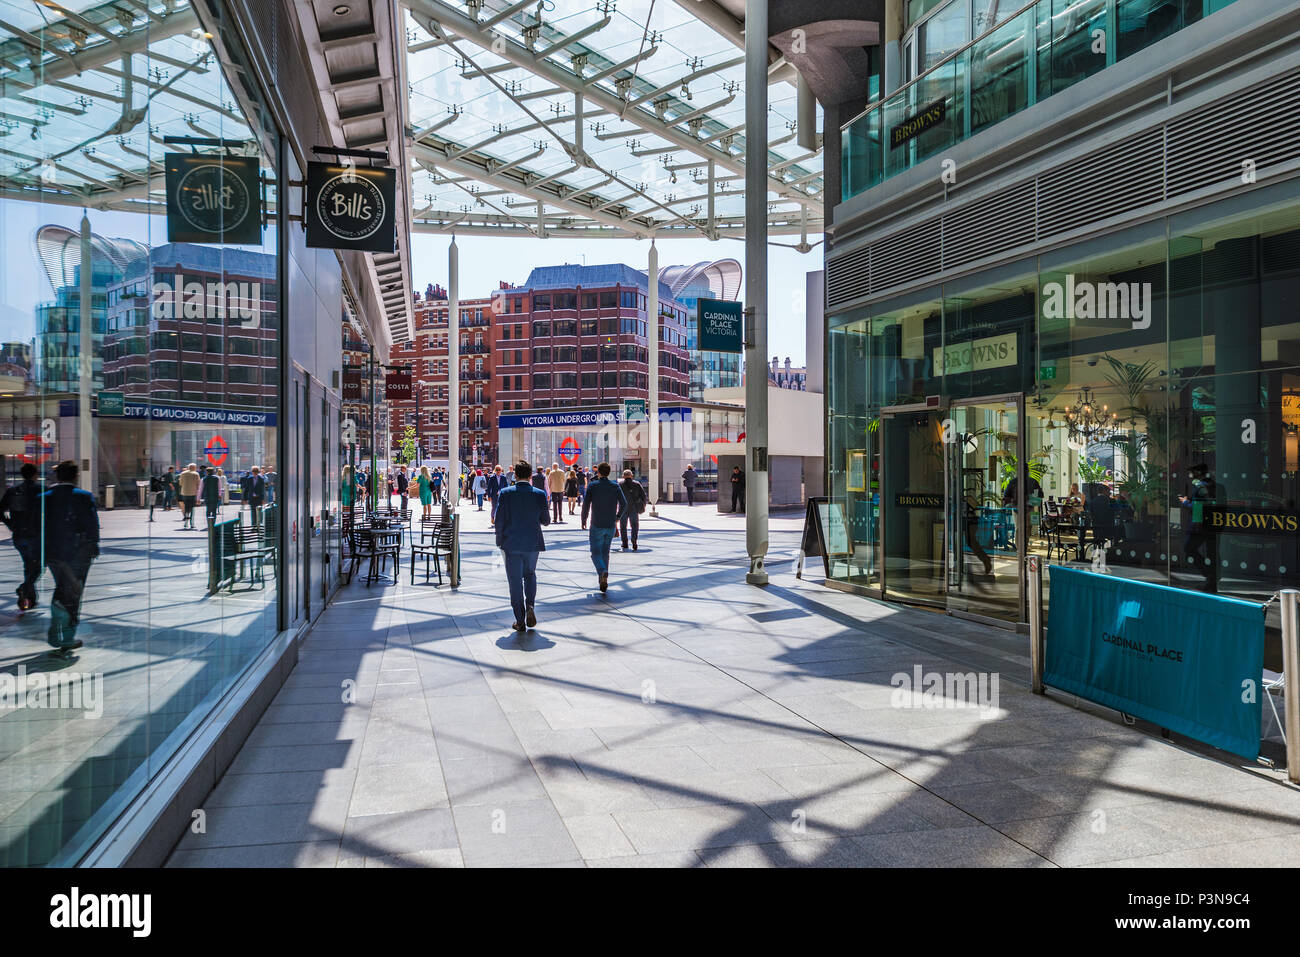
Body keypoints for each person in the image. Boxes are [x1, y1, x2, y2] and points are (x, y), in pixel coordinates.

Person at [42, 460, 99, 656]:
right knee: (74, 592)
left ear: (58, 477)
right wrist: (93, 546)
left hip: (54, 553)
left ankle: (57, 625)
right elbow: (92, 525)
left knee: (62, 586)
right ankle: (66, 636)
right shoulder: (84, 497)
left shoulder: (45, 497)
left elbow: (38, 527)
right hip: (78, 553)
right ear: (76, 476)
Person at [494, 462, 550, 632]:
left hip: (511, 543)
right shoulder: (539, 494)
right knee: (530, 574)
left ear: (515, 476)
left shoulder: (505, 493)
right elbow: (546, 520)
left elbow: (499, 520)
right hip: (533, 543)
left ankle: (520, 619)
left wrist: (499, 540)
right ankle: (530, 605)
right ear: (530, 476)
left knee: (515, 582)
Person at [1, 463, 43, 610]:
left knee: (28, 565)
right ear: (35, 475)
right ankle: (25, 589)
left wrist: (10, 524)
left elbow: (1, 510)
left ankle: (30, 598)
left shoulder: (13, 491)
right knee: (39, 565)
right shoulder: (41, 490)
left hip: (18, 535)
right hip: (35, 534)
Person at [582, 462, 627, 593]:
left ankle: (602, 572)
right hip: (610, 524)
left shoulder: (593, 486)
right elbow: (624, 503)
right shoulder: (615, 486)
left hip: (597, 523)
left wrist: (584, 519)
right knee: (605, 552)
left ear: (599, 472)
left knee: (595, 552)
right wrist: (618, 517)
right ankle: (603, 579)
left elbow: (586, 505)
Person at [1180, 463, 1220, 592]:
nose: (1191, 476)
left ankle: (1209, 575)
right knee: (1212, 553)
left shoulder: (1200, 487)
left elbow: (1198, 508)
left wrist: (1186, 502)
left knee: (1188, 548)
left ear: (1198, 472)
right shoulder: (1215, 485)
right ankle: (1212, 580)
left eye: (1192, 472)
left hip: (1199, 525)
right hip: (1213, 524)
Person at [618, 469, 647, 551]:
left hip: (623, 508)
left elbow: (615, 497)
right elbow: (643, 496)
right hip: (634, 508)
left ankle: (625, 543)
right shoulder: (637, 484)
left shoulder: (620, 484)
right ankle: (634, 539)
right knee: (634, 525)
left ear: (623, 476)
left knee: (623, 526)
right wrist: (642, 505)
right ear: (631, 476)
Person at [178, 462, 201, 530]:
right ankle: (192, 523)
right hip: (193, 493)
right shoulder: (196, 474)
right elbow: (198, 484)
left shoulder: (183, 473)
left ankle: (186, 522)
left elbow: (180, 483)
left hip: (184, 493)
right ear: (194, 468)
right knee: (192, 508)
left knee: (186, 507)